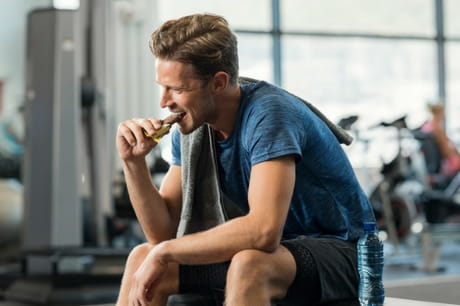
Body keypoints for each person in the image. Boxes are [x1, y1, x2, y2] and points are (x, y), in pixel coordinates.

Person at [115, 13, 375, 306]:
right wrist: (133, 163)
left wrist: (165, 252)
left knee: (250, 265)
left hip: (348, 252)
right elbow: (162, 233)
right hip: (281, 251)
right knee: (142, 257)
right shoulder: (192, 126)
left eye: (177, 89)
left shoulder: (270, 114)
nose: (164, 101)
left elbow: (263, 232)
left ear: (218, 83)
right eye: (162, 87)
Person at [421, 102, 460, 177]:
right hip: (445, 164)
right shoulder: (437, 129)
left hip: (432, 163)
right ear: (438, 113)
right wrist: (457, 153)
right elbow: (445, 152)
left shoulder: (426, 126)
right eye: (443, 112)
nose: (444, 115)